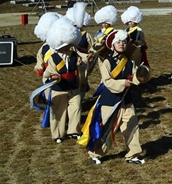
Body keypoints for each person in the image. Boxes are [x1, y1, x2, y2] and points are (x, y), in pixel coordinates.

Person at [80, 30, 146, 165]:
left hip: (126, 100)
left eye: (123, 42)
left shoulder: (130, 62)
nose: (121, 44)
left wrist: (140, 77)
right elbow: (107, 82)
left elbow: (134, 77)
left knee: (132, 126)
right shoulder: (107, 62)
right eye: (118, 42)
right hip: (110, 101)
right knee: (107, 130)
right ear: (113, 45)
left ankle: (133, 154)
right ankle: (95, 153)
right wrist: (123, 83)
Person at [43, 16, 82, 143]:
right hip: (58, 88)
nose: (66, 48)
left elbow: (83, 65)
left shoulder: (74, 54)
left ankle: (74, 131)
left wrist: (82, 63)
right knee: (58, 112)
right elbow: (48, 73)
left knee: (76, 108)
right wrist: (53, 76)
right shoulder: (52, 58)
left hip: (73, 86)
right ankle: (58, 134)